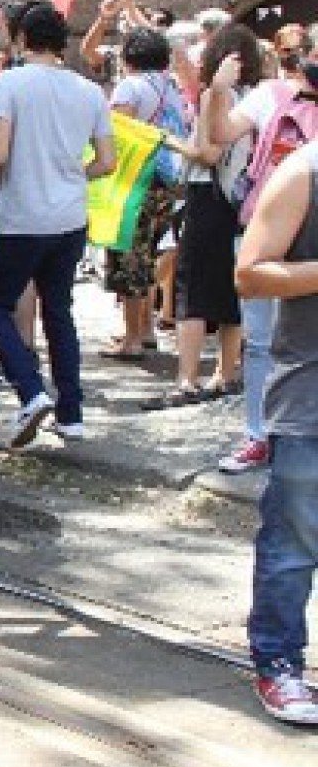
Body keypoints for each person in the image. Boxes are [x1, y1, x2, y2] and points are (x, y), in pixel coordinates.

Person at [0, 3, 115, 447]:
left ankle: (30, 390)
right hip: (70, 216)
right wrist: (74, 175)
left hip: (21, 214)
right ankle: (71, 412)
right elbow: (107, 161)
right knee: (59, 310)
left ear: (20, 39)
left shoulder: (9, 83)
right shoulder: (89, 91)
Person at [204, 24, 318, 473]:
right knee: (263, 342)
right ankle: (260, 434)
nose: (297, 59)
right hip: (267, 232)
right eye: (289, 52)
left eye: (299, 51)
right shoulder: (271, 94)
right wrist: (216, 90)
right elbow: (219, 134)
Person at [234, 135, 318, 725]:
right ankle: (279, 660)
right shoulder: (305, 172)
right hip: (311, 388)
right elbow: (251, 272)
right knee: (296, 535)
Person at [151, 25, 262, 410]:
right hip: (241, 201)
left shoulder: (219, 96)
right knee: (233, 288)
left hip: (207, 196)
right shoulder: (255, 96)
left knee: (192, 289)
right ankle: (226, 372)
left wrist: (171, 143)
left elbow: (208, 153)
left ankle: (187, 377)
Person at [99, 27, 190, 361]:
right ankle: (145, 330)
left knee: (129, 257)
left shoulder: (130, 86)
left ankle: (133, 338)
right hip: (166, 178)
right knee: (150, 254)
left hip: (136, 179)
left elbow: (116, 131)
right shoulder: (169, 86)